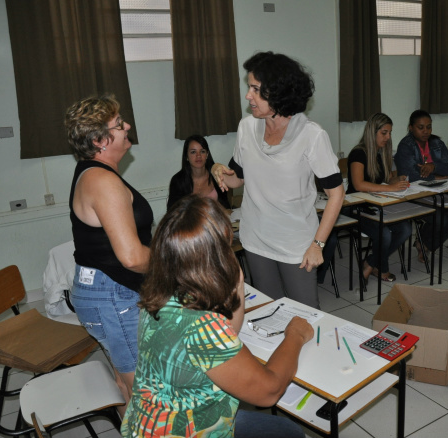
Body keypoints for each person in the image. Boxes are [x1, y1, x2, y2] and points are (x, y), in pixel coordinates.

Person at [121, 196, 311, 438]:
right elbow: (269, 392)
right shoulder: (203, 326)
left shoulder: (160, 296)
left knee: (285, 429)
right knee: (290, 433)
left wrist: (237, 282)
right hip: (184, 429)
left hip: (152, 422)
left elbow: (230, 329)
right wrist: (294, 335)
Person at [211, 51, 344, 309]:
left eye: (256, 89)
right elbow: (238, 179)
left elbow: (336, 194)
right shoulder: (246, 128)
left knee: (305, 314)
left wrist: (318, 244)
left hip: (296, 243)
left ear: (279, 93)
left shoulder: (311, 135)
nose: (248, 95)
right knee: (267, 312)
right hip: (256, 237)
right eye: (249, 87)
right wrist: (220, 170)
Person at [65, 94, 153, 413]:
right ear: (101, 140)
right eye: (119, 124)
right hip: (113, 296)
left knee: (125, 384)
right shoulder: (102, 181)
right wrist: (175, 265)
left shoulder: (95, 172)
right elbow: (130, 256)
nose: (127, 126)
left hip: (107, 292)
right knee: (140, 391)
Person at [346, 113, 411, 282]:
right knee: (385, 234)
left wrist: (397, 180)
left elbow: (387, 178)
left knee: (405, 229)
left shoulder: (381, 152)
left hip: (375, 204)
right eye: (384, 133)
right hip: (355, 207)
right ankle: (379, 268)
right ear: (372, 132)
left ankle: (369, 262)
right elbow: (359, 184)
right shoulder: (358, 153)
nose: (388, 137)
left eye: (390, 133)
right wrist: (390, 187)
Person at [395, 109, 448, 261]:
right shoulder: (405, 146)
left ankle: (424, 243)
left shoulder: (436, 143)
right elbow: (411, 176)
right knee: (441, 219)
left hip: (438, 193)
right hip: (415, 195)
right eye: (421, 127)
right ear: (411, 128)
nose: (425, 131)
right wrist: (437, 175)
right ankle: (425, 243)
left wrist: (433, 166)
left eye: (429, 127)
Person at [167, 134, 231, 211]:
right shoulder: (177, 181)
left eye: (202, 151)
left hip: (215, 221)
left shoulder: (217, 176)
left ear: (207, 155)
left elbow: (226, 207)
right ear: (186, 156)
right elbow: (173, 213)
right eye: (193, 152)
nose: (198, 156)